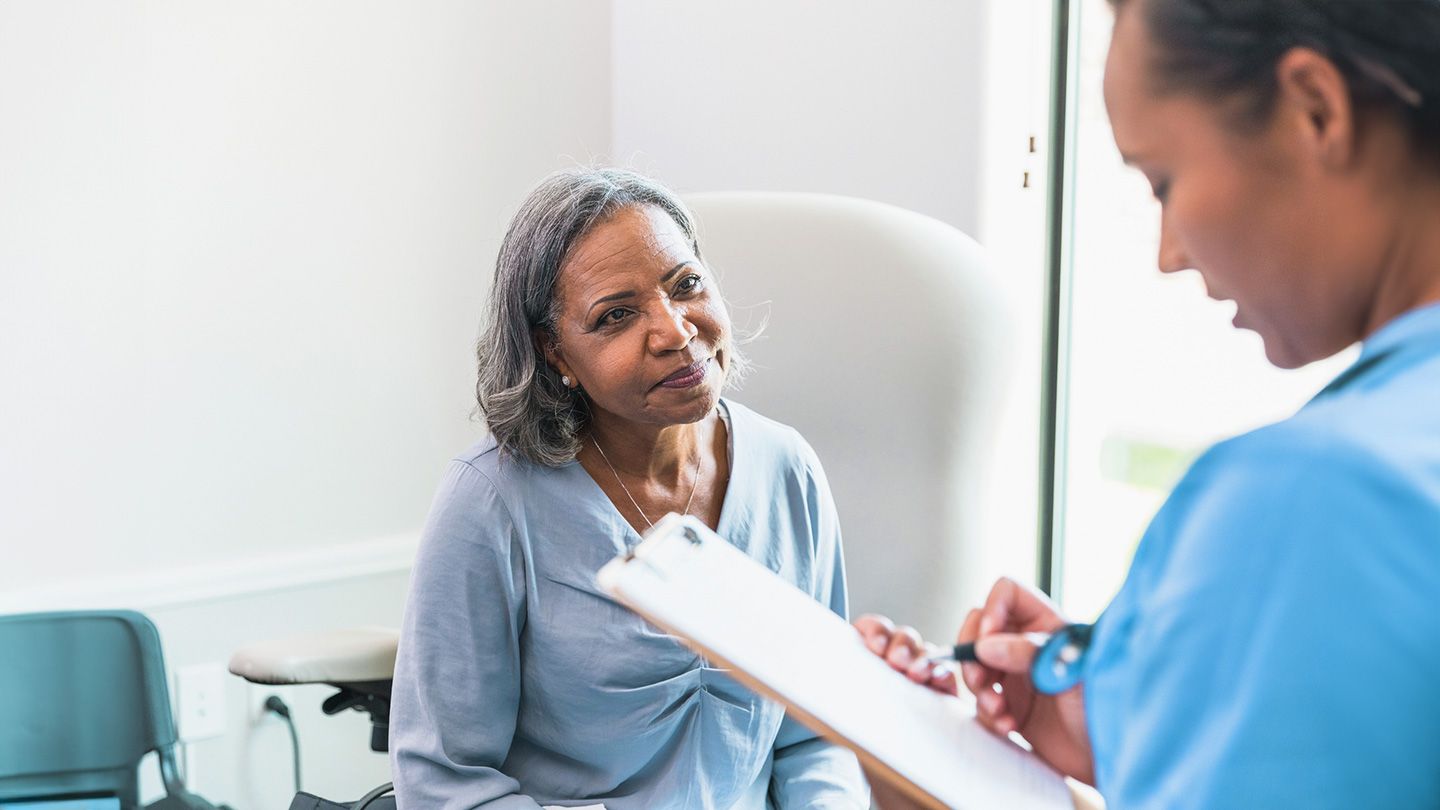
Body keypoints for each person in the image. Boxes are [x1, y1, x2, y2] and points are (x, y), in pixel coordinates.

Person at [857, 0, 1440, 807]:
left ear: (1315, 108)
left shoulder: (1317, 497)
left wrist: (907, 780)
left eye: (1162, 180)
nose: (1170, 254)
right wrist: (1143, 719)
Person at [389, 167, 868, 809]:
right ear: (555, 353)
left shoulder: (788, 468)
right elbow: (445, 784)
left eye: (687, 285)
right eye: (616, 316)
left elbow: (817, 735)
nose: (674, 331)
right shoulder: (490, 501)